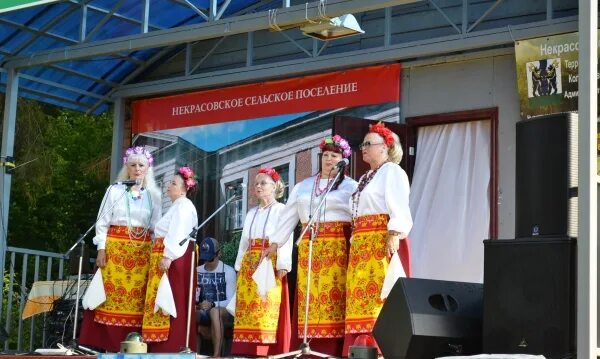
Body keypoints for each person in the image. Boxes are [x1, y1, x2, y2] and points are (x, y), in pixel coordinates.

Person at [264, 135, 357, 357]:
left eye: (334, 156)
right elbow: (288, 217)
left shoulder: (351, 187)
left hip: (337, 247)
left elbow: (357, 217)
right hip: (310, 247)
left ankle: (333, 350)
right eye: (325, 155)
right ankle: (307, 348)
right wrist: (275, 243)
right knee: (309, 299)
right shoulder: (303, 186)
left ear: (343, 160)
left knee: (334, 298)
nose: (329, 160)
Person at [79, 146, 161, 352]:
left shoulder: (154, 195)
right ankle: (106, 346)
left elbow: (157, 228)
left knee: (135, 299)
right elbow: (102, 222)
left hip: (142, 254)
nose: (137, 169)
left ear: (147, 168)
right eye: (132, 165)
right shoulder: (115, 190)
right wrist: (101, 248)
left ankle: (133, 346)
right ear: (127, 167)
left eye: (141, 165)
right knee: (111, 297)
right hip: (115, 252)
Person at [343, 122, 413, 356]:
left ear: (386, 147)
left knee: (378, 295)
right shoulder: (366, 177)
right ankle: (361, 348)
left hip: (380, 241)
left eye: (368, 144)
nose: (363, 148)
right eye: (363, 144)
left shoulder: (392, 171)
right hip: (362, 245)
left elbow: (399, 206)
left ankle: (379, 348)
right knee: (361, 298)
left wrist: (394, 234)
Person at [231, 167, 293, 357]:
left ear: (275, 187)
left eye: (263, 183)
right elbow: (244, 241)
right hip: (250, 262)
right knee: (247, 307)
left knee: (265, 306)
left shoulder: (281, 210)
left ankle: (265, 349)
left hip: (268, 261)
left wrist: (283, 263)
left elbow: (285, 236)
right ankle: (246, 349)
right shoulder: (251, 213)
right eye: (256, 183)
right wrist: (240, 264)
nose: (258, 186)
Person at [141, 166, 199, 352]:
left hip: (174, 259)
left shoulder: (183, 205)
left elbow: (178, 231)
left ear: (184, 189)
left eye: (174, 183)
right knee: (163, 297)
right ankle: (161, 344)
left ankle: (171, 345)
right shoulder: (176, 206)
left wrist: (168, 255)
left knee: (170, 298)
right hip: (167, 256)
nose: (169, 185)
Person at [196, 237, 237, 357]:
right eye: (205, 259)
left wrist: (212, 304)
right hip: (202, 310)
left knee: (214, 312)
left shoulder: (229, 271)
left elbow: (231, 301)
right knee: (192, 314)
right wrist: (197, 303)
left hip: (221, 311)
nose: (207, 262)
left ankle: (216, 355)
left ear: (219, 253)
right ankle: (194, 354)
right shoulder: (197, 270)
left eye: (210, 258)